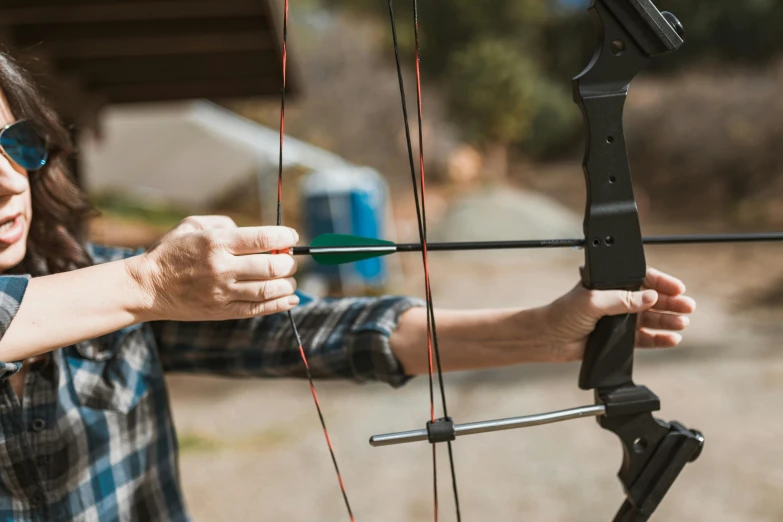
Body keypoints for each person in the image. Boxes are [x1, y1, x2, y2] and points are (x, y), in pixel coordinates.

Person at [0, 52, 695, 521]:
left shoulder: (105, 286)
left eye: (15, 146)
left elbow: (325, 334)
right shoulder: (131, 285)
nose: (8, 181)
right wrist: (148, 279)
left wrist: (541, 330)